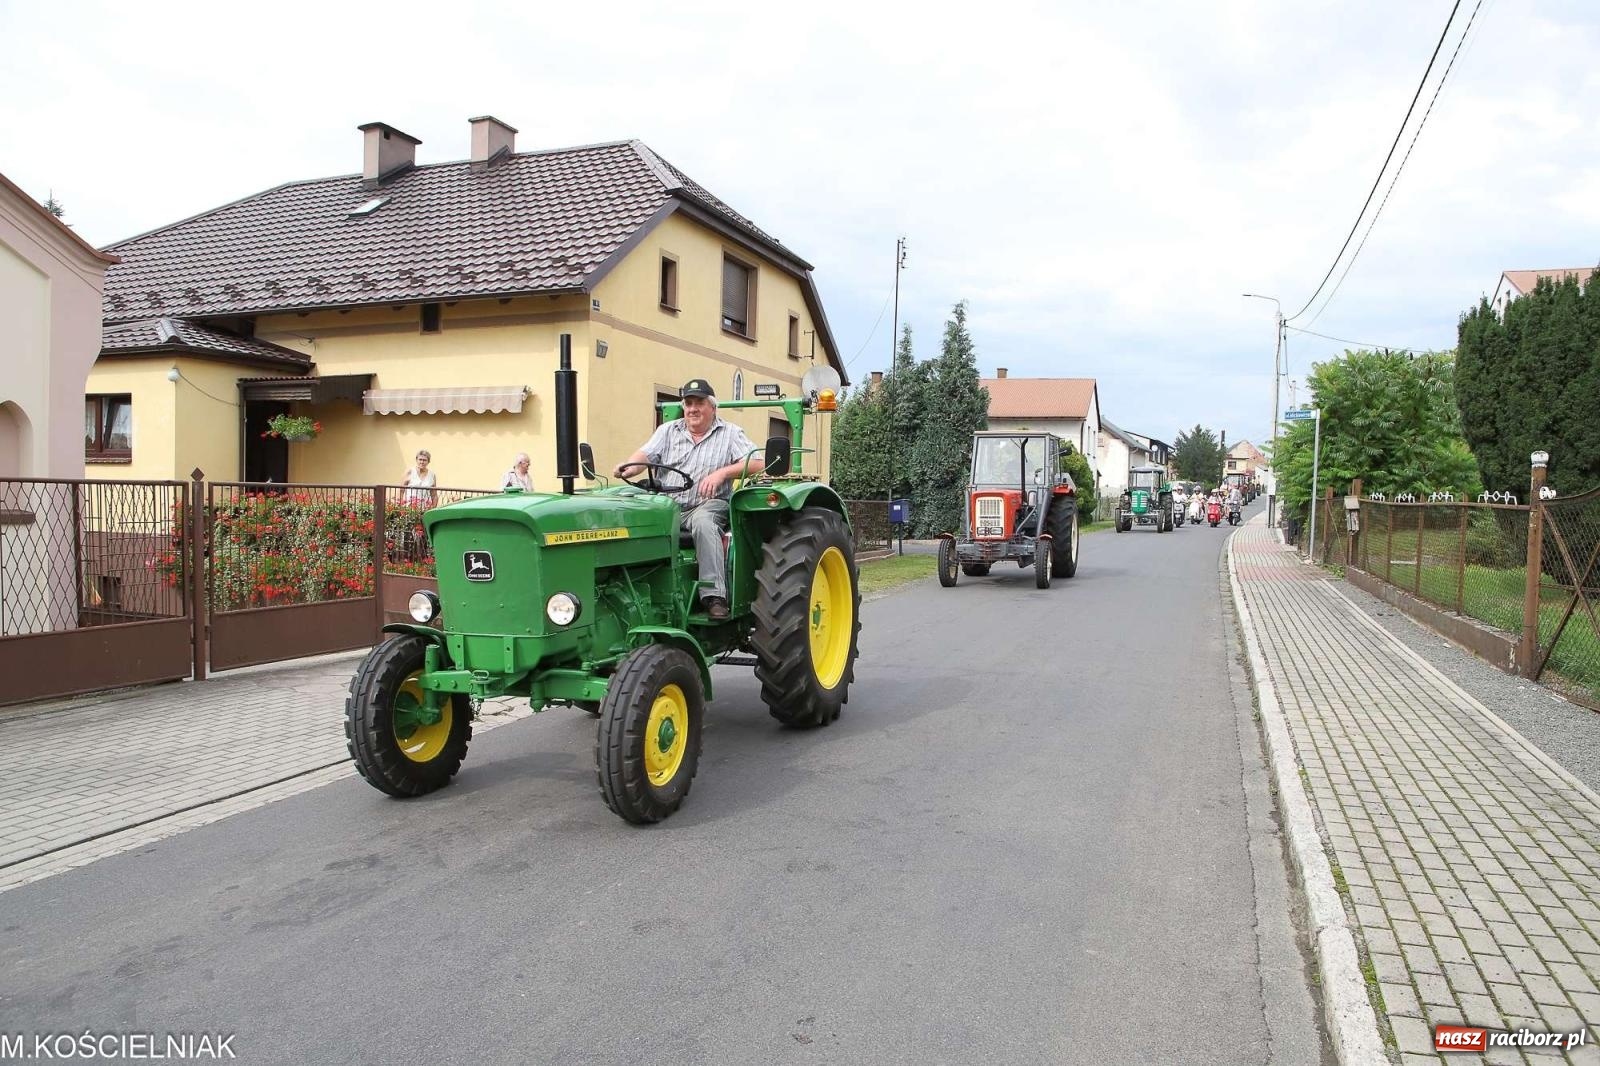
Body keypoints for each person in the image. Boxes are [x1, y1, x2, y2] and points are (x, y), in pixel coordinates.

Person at [614, 379, 763, 620]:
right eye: (688, 403)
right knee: (625, 509)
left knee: (704, 522)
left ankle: (714, 596)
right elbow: (644, 454)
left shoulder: (730, 433)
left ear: (712, 407)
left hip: (708, 504)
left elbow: (757, 463)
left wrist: (722, 473)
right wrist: (628, 467)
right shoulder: (668, 430)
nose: (693, 409)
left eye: (699, 403)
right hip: (666, 505)